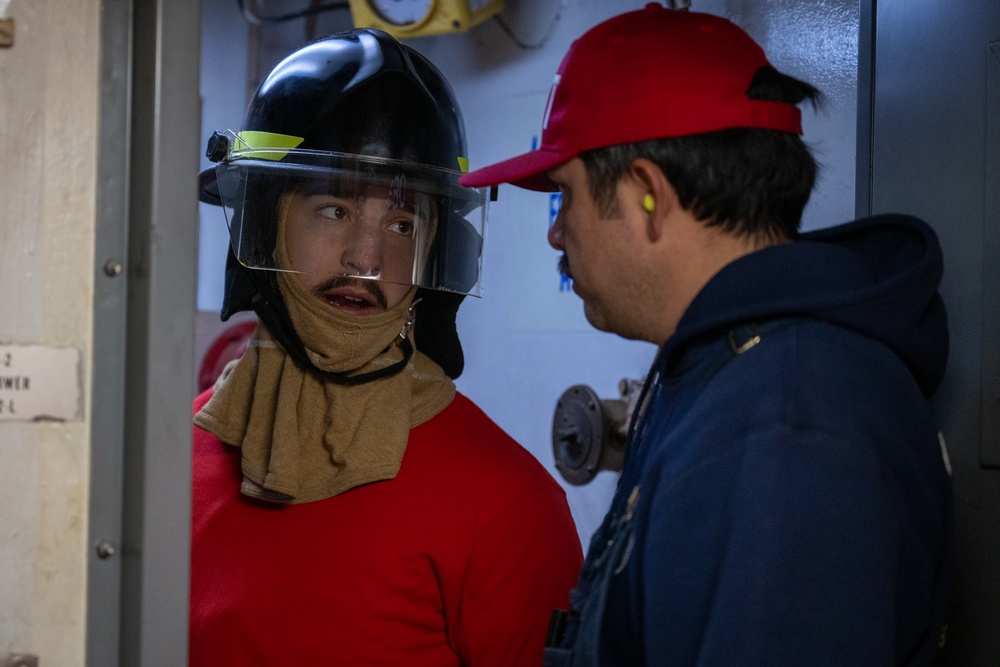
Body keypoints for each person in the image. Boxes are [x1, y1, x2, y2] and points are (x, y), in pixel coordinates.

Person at [460, 5, 953, 666]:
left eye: (564, 193)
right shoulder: (734, 370)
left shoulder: (788, 425)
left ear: (646, 195)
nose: (557, 230)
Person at [189, 29, 583, 666]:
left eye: (402, 224)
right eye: (334, 210)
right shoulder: (171, 462)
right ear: (262, 221)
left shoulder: (509, 507)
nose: (367, 261)